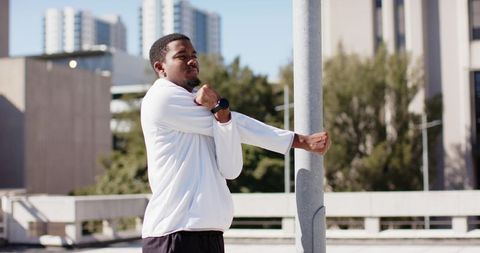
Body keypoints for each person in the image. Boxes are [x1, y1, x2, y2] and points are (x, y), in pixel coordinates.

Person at [140, 33, 330, 253]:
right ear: (160, 67)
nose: (192, 60)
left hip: (208, 236)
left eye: (194, 55)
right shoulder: (161, 98)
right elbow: (239, 123)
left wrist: (221, 114)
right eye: (182, 56)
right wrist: (300, 140)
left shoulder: (203, 109)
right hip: (174, 236)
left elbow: (230, 169)